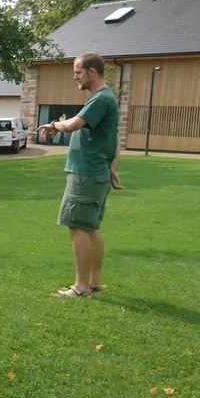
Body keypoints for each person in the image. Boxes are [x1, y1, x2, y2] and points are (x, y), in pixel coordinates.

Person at [38, 52, 123, 298]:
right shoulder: (106, 98)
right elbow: (113, 139)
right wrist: (112, 168)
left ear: (91, 72)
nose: (75, 77)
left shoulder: (100, 98)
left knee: (78, 227)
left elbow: (73, 124)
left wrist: (53, 125)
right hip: (95, 172)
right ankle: (93, 283)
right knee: (90, 227)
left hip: (86, 173)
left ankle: (81, 287)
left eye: (78, 72)